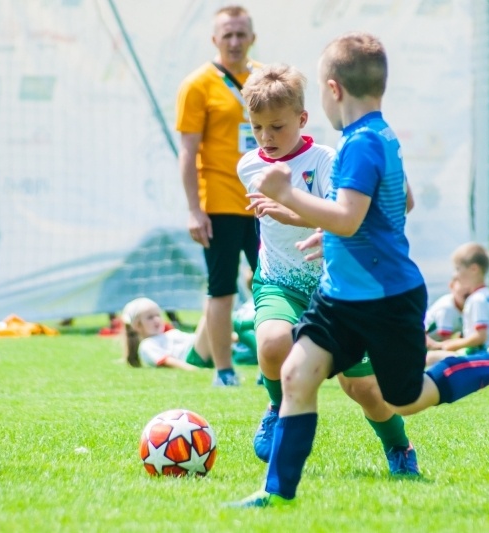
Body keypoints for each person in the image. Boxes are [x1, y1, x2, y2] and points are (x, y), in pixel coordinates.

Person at [231, 32, 489, 508]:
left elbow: (350, 216)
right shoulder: (377, 134)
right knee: (296, 373)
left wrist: (290, 198)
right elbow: (401, 202)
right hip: (341, 293)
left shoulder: (358, 145)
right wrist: (337, 236)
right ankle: (277, 494)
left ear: (334, 90)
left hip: (382, 297)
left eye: (321, 89)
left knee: (402, 397)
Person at [238, 63, 419, 475]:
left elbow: (342, 218)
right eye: (258, 127)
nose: (267, 137)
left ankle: (399, 447)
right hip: (279, 282)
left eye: (277, 127)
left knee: (363, 389)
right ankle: (278, 406)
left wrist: (290, 213)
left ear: (302, 120)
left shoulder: (325, 160)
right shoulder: (247, 166)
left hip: (334, 289)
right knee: (270, 345)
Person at [175, 5, 260, 386]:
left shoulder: (264, 79)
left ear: (252, 37)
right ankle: (224, 370)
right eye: (228, 34)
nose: (235, 41)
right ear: (215, 39)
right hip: (221, 204)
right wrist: (195, 210)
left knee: (273, 286)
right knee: (221, 288)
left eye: (241, 33)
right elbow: (188, 152)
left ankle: (270, 366)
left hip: (264, 204)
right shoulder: (197, 84)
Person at [121, 297, 255, 370]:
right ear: (137, 326)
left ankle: (248, 326)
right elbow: (167, 361)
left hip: (203, 351)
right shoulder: (147, 345)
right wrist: (191, 369)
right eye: (150, 317)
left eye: (157, 315)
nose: (156, 319)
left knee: (250, 353)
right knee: (210, 312)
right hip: (193, 358)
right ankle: (248, 321)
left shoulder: (169, 334)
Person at [426, 243, 489, 366]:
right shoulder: (486, 294)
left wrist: (451, 345)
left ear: (474, 269)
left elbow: (480, 337)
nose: (456, 274)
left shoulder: (476, 299)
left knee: (430, 358)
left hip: (485, 354)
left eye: (458, 269)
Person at [424, 275, 467, 343]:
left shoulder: (466, 306)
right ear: (451, 286)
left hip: (437, 341)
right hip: (422, 340)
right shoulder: (446, 308)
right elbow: (446, 343)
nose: (467, 289)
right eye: (463, 285)